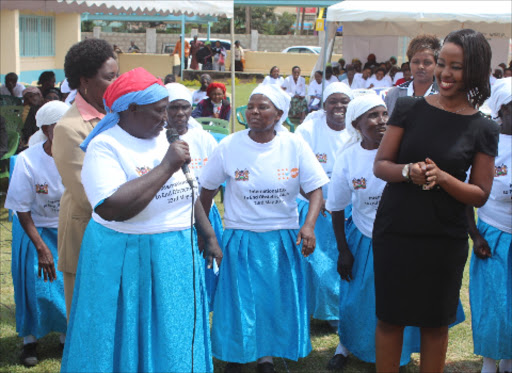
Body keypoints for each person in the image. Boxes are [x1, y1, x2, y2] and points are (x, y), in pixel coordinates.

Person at [61, 67, 221, 373]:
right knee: (125, 331)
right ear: (131, 109)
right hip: (124, 254)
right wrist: (165, 167)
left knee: (173, 330)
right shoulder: (105, 146)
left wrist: (208, 234)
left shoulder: (164, 138)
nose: (166, 118)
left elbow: (189, 188)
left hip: (175, 252)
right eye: (159, 111)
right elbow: (111, 207)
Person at [372, 29, 499, 372]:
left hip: (444, 238)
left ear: (474, 70)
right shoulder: (409, 107)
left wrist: (443, 178)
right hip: (396, 230)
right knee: (389, 318)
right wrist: (407, 171)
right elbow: (381, 165)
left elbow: (481, 194)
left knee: (434, 322)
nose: (445, 73)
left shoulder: (483, 127)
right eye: (442, 63)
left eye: (456, 67)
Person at [199, 83, 329, 373]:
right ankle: (236, 355)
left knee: (274, 302)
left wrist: (308, 226)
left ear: (279, 114)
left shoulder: (293, 145)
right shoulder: (229, 145)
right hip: (241, 238)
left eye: (263, 106)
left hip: (281, 239)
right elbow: (205, 192)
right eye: (251, 107)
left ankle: (266, 357)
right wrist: (206, 234)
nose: (254, 112)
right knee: (239, 301)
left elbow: (316, 190)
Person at [326, 95, 422, 370]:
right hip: (363, 237)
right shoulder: (348, 158)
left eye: (384, 114)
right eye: (372, 115)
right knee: (357, 297)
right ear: (356, 123)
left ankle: (400, 354)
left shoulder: (404, 150)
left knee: (400, 297)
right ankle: (345, 346)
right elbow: (337, 207)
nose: (381, 120)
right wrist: (344, 250)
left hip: (402, 237)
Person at [52, 38, 118, 320]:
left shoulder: (118, 112)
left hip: (121, 233)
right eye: (109, 77)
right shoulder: (69, 129)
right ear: (84, 81)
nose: (115, 83)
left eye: (118, 76)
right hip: (88, 236)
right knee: (90, 322)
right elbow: (90, 195)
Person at [4, 101, 70, 367]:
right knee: (34, 286)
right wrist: (41, 247)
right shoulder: (27, 161)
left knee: (67, 284)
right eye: (60, 127)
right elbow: (21, 209)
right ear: (46, 128)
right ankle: (29, 340)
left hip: (68, 229)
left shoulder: (80, 155)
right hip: (34, 228)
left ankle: (66, 337)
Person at [295, 82, 353, 330]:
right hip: (313, 202)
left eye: (344, 102)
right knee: (314, 261)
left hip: (348, 205)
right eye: (333, 101)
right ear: (324, 104)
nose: (339, 107)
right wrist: (317, 201)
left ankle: (338, 311)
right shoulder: (307, 131)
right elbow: (296, 173)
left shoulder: (357, 129)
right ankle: (314, 310)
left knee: (344, 258)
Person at [467, 77, 512, 373]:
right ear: (500, 110)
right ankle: (489, 361)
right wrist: (475, 235)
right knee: (493, 301)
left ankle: (508, 360)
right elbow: (464, 193)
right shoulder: (486, 143)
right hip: (492, 233)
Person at [166, 82, 222, 310]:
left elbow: (215, 180)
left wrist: (203, 214)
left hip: (205, 212)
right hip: (173, 214)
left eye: (185, 108)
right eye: (173, 108)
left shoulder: (203, 138)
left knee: (206, 265)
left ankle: (203, 305)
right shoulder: (158, 139)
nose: (180, 113)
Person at [385, 35, 440, 116]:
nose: (420, 66)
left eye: (427, 62)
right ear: (409, 63)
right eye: (416, 62)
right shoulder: (394, 94)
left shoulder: (445, 95)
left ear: (436, 65)